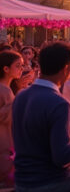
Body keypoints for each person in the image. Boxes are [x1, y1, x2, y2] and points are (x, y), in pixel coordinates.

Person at [12, 42, 70, 192]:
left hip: (22, 180)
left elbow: (38, 136)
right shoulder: (59, 103)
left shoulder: (21, 96)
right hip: (51, 180)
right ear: (66, 68)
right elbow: (62, 157)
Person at [0, 50, 23, 186]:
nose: (22, 69)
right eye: (18, 66)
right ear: (6, 69)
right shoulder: (4, 90)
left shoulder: (8, 89)